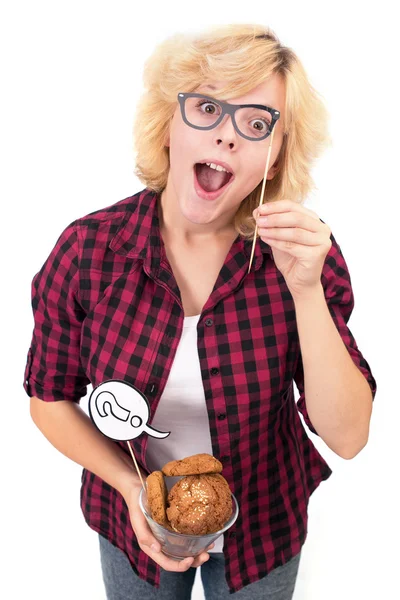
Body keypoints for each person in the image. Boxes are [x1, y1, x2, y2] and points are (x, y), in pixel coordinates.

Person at [24, 23, 377, 600]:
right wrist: (131, 488)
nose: (228, 138)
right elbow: (48, 400)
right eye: (208, 108)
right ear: (169, 124)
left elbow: (349, 436)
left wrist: (306, 290)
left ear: (275, 155)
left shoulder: (302, 256)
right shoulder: (87, 251)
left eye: (257, 123)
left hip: (263, 518)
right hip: (128, 513)